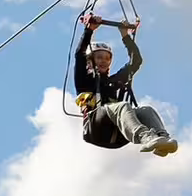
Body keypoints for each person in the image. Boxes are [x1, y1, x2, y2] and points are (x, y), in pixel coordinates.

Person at [73, 17, 179, 156]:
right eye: (99, 57)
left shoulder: (114, 81)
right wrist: (89, 30)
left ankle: (161, 140)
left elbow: (136, 61)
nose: (104, 61)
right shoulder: (84, 80)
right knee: (122, 106)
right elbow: (79, 54)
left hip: (118, 134)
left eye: (107, 58)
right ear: (90, 60)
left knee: (146, 110)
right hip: (97, 129)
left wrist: (125, 36)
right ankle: (145, 137)